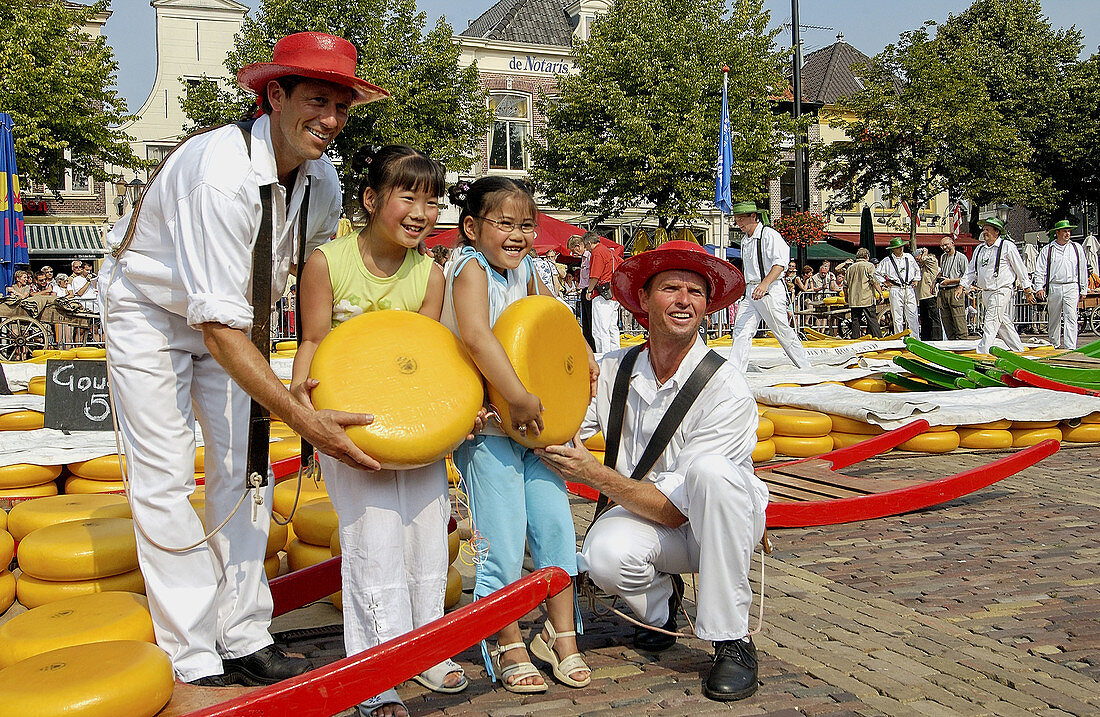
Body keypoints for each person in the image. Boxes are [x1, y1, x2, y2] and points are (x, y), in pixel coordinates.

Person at [98, 32, 389, 686]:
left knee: (248, 463)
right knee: (165, 474)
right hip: (150, 306)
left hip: (236, 314)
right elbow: (217, 329)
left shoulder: (324, 182)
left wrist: (323, 360)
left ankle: (243, 630)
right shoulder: (218, 174)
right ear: (275, 96)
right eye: (318, 100)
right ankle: (194, 652)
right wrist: (305, 420)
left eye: (343, 106)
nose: (333, 120)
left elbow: (314, 276)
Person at [537, 240, 768, 703]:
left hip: (719, 525)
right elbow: (556, 422)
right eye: (670, 288)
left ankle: (733, 641)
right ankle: (660, 610)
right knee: (603, 553)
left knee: (710, 472)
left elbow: (676, 510)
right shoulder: (613, 369)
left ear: (708, 306)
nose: (684, 301)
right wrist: (496, 413)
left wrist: (594, 474)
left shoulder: (727, 387)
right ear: (643, 300)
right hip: (656, 519)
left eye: (695, 292)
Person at [292, 146, 466, 717]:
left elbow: (431, 354)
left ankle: (427, 649)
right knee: (374, 544)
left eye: (431, 198)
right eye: (408, 195)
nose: (422, 210)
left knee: (424, 538)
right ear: (371, 199)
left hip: (415, 429)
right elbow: (312, 341)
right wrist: (306, 417)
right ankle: (375, 674)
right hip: (351, 430)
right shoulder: (328, 261)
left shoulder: (430, 272)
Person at [442, 177, 594, 694]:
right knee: (501, 538)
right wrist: (519, 395)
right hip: (489, 427)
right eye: (504, 224)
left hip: (534, 427)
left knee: (554, 525)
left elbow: (554, 321)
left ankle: (561, 634)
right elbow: (478, 336)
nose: (518, 235)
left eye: (526, 225)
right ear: (472, 228)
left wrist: (583, 357)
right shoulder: (468, 268)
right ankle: (503, 638)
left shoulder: (529, 269)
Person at [728, 201, 811, 371]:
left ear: (753, 216)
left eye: (742, 218)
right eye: (737, 219)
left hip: (770, 290)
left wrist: (765, 284)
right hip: (751, 290)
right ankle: (735, 371)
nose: (739, 223)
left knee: (781, 330)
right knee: (741, 330)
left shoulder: (769, 235)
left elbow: (780, 264)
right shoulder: (745, 240)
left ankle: (806, 367)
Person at [955, 217, 1034, 354]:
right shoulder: (980, 249)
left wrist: (1027, 288)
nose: (984, 232)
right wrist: (962, 286)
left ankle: (982, 352)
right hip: (986, 291)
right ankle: (1018, 349)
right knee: (1002, 323)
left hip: (1001, 290)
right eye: (984, 229)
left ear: (996, 232)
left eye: (988, 230)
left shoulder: (1007, 246)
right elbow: (971, 270)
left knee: (991, 321)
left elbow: (1020, 268)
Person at [1034, 219, 1088, 349]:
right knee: (1054, 316)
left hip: (1072, 285)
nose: (1067, 234)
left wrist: (1083, 288)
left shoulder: (1076, 248)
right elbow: (1040, 270)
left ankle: (1070, 347)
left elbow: (1082, 268)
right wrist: (1039, 287)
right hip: (1054, 286)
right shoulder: (1048, 249)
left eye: (1069, 231)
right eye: (1065, 231)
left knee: (1071, 316)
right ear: (1057, 232)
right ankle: (1054, 344)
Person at [874, 237, 920, 336]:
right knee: (897, 315)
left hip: (909, 288)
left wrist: (916, 279)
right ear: (893, 249)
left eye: (901, 247)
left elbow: (917, 269)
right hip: (896, 288)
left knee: (913, 314)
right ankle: (899, 338)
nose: (900, 249)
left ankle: (915, 337)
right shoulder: (887, 261)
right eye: (898, 247)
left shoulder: (909, 257)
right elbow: (876, 273)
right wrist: (884, 282)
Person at [586, 233, 621, 357]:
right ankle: (616, 355)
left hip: (601, 295)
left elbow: (595, 275)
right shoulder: (610, 252)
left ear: (589, 243)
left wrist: (589, 290)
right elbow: (622, 265)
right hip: (613, 294)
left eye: (586, 246)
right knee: (612, 327)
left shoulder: (597, 252)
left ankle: (603, 357)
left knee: (600, 329)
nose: (587, 249)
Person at [844, 248, 882, 338]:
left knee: (855, 321)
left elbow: (845, 285)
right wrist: (880, 293)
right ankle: (879, 338)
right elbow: (874, 281)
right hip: (866, 297)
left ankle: (855, 339)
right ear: (867, 256)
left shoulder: (850, 268)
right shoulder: (869, 266)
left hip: (854, 298)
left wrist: (846, 296)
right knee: (872, 319)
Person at [936, 237, 969, 340]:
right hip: (943, 291)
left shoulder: (961, 257)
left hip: (955, 290)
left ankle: (963, 344)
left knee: (959, 321)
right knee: (947, 322)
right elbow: (942, 272)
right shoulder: (943, 257)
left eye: (946, 245)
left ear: (952, 243)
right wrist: (935, 281)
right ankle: (951, 344)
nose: (944, 247)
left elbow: (966, 277)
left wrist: (950, 281)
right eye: (942, 246)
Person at [571, 233, 595, 350]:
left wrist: (589, 291)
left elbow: (593, 274)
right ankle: (589, 346)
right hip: (584, 289)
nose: (574, 254)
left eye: (574, 250)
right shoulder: (584, 258)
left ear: (578, 246)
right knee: (585, 321)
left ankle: (593, 346)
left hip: (589, 290)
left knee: (590, 321)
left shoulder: (590, 256)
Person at [915, 247, 941, 341]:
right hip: (921, 296)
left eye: (918, 256)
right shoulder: (920, 267)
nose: (917, 259)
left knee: (934, 318)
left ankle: (937, 339)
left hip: (930, 295)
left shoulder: (931, 263)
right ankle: (926, 339)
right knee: (924, 319)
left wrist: (924, 254)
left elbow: (928, 259)